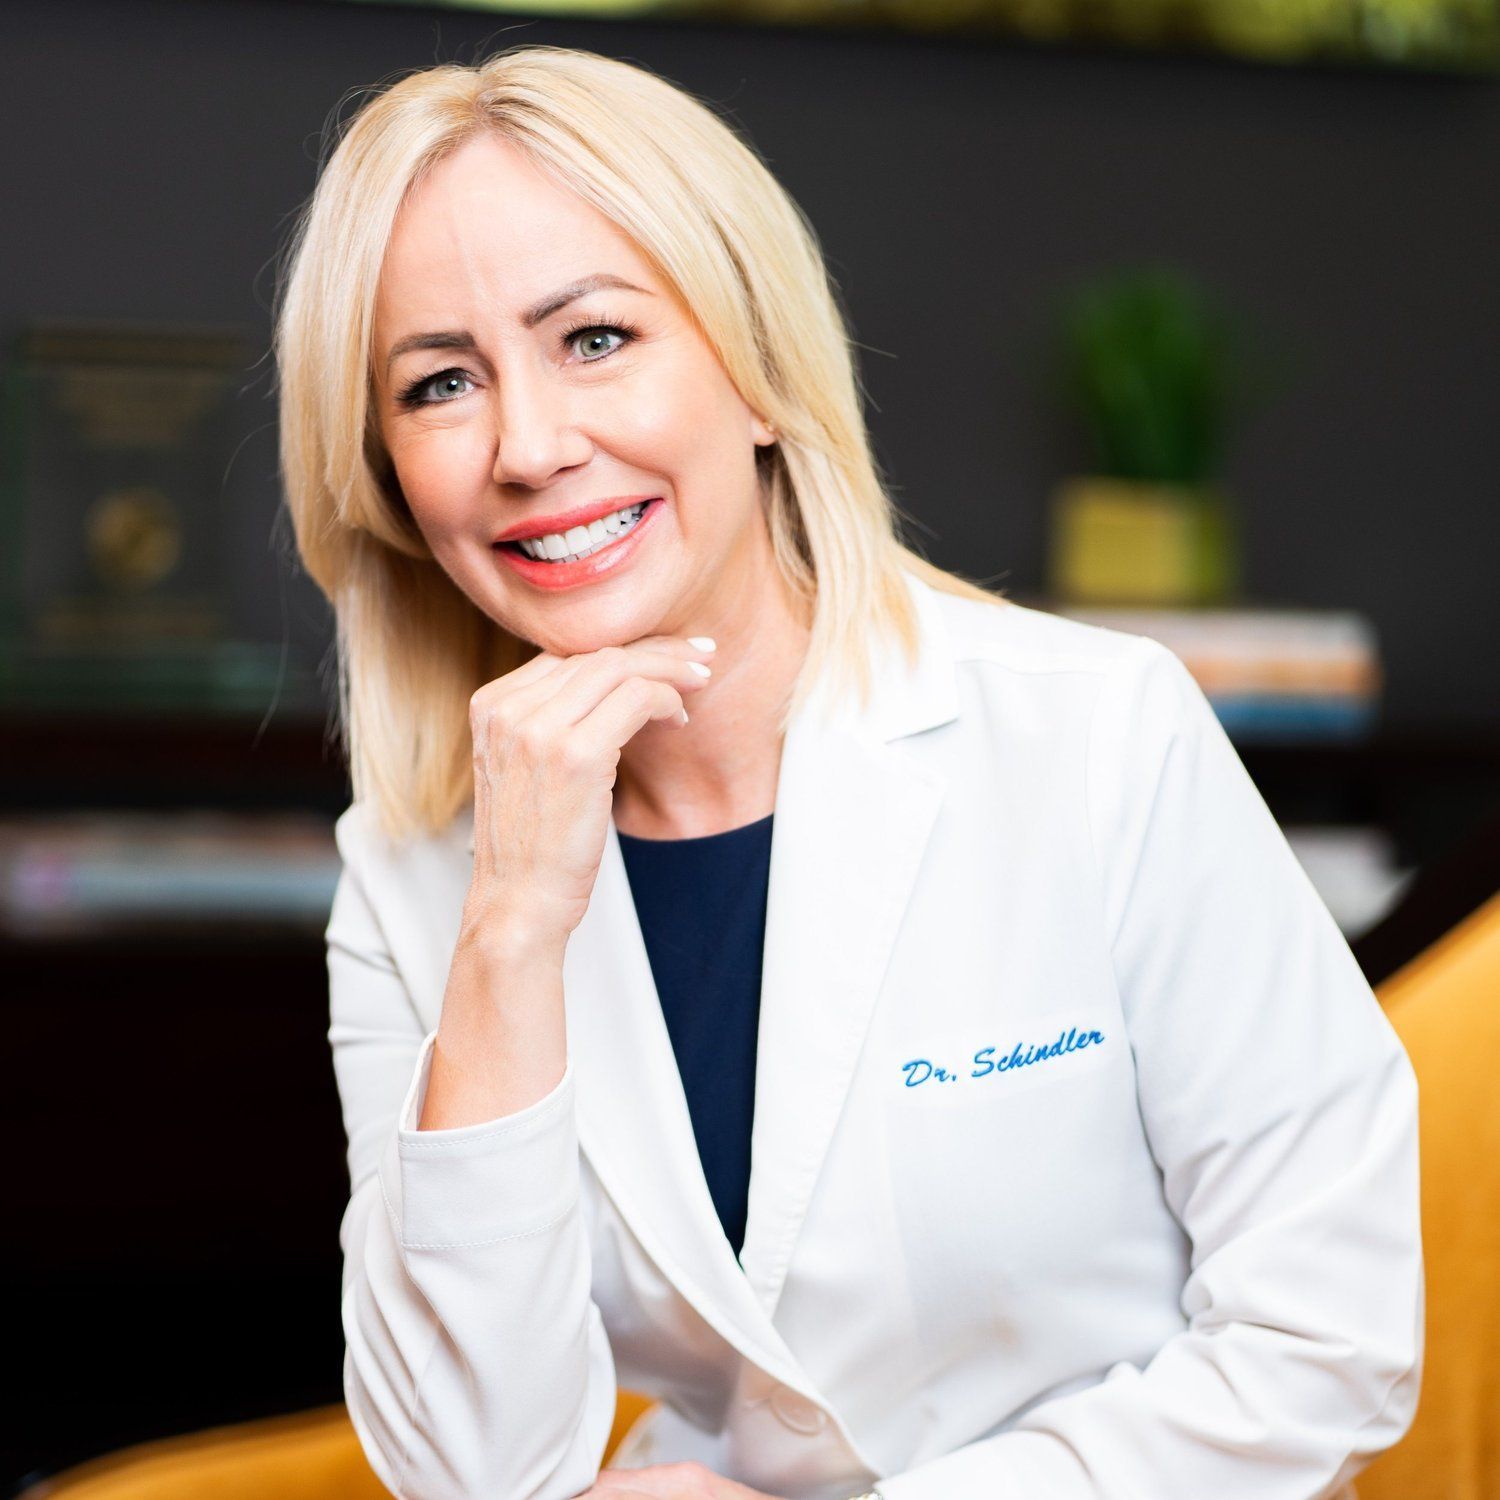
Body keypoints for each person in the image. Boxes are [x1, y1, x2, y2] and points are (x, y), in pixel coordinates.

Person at [274, 44, 1423, 1500]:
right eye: (440, 382)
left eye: (598, 339)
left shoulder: (1099, 735)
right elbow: (474, 1470)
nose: (529, 445)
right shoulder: (415, 869)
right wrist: (508, 935)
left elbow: (1328, 1340)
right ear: (384, 477)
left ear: (758, 377)